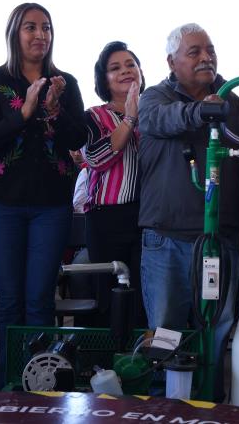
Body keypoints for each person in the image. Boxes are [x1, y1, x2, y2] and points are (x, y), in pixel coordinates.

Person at [0, 2, 86, 389]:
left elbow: (79, 139)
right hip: (1, 203)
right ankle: (8, 388)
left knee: (39, 299)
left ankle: (39, 388)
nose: (40, 35)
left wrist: (53, 110)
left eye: (46, 27)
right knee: (8, 300)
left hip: (51, 205)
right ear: (14, 34)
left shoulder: (65, 83)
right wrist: (24, 112)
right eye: (30, 27)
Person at [138, 23, 239, 401]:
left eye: (210, 50)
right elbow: (159, 121)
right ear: (171, 61)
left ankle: (211, 406)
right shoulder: (154, 98)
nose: (206, 57)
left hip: (219, 242)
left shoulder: (233, 99)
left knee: (217, 330)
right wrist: (202, 112)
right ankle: (161, 408)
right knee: (165, 332)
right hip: (166, 239)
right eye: (194, 51)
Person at [83, 41, 145, 326]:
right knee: (107, 297)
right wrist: (130, 118)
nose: (125, 71)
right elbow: (97, 158)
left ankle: (137, 364)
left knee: (142, 296)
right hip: (106, 218)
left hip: (147, 217)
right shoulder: (94, 115)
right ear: (103, 79)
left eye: (131, 64)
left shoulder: (156, 112)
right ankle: (101, 366)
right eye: (115, 68)